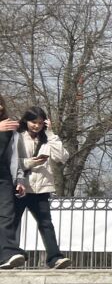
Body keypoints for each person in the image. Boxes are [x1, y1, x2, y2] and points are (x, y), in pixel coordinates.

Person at [14, 107, 69, 269]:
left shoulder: (47, 139)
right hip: (21, 187)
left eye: (40, 123)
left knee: (46, 224)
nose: (36, 126)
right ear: (26, 121)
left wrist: (51, 133)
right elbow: (11, 162)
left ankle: (55, 258)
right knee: (12, 223)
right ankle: (10, 254)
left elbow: (62, 157)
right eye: (33, 122)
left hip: (42, 189)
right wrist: (30, 162)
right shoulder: (17, 137)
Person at [0, 97, 27, 270]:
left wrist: (19, 179)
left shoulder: (9, 130)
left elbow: (13, 157)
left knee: (6, 215)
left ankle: (8, 254)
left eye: (1, 103)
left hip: (3, 176)